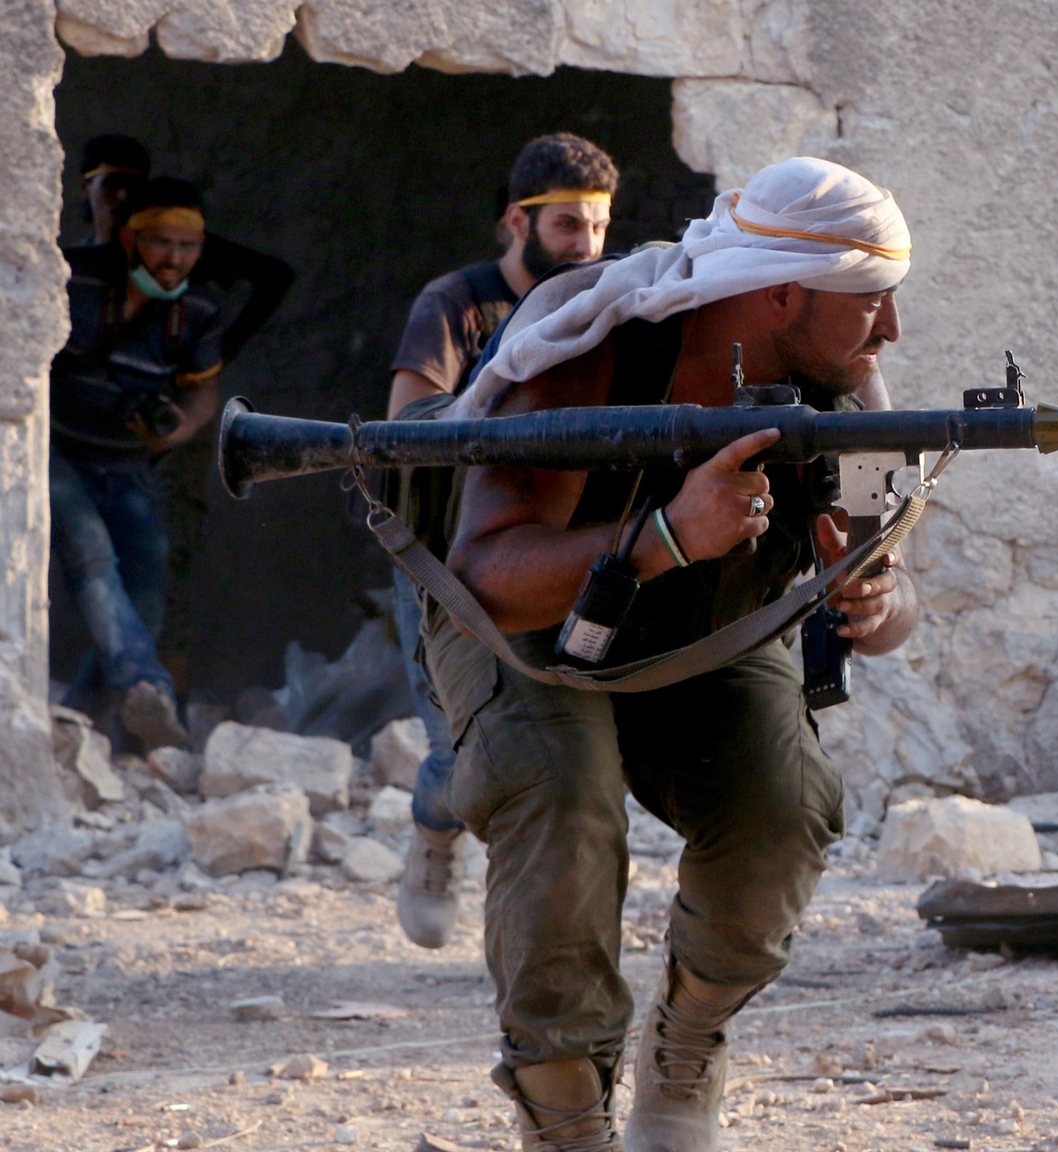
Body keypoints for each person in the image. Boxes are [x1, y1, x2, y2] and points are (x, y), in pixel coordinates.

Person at [420, 156, 917, 1150]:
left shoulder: (850, 393)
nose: (892, 328)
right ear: (781, 292)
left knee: (783, 808)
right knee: (559, 793)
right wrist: (665, 536)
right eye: (871, 300)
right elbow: (488, 572)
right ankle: (566, 1118)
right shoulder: (590, 349)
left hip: (705, 636)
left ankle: (687, 1043)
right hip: (529, 635)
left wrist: (875, 596)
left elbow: (897, 594)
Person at [387, 132, 618, 951]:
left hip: (547, 551)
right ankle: (433, 838)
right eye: (567, 225)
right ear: (518, 222)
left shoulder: (605, 304)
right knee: (458, 749)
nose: (587, 245)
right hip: (443, 556)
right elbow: (407, 429)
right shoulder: (456, 303)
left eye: (599, 226)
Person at [73, 134, 296, 702]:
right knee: (93, 560)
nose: (124, 197)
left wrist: (216, 360)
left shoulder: (177, 252)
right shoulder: (77, 268)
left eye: (135, 185)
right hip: (85, 440)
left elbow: (273, 276)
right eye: (112, 185)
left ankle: (154, 712)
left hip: (167, 433)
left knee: (159, 566)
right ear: (86, 189)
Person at [49, 176, 228, 751]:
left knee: (147, 591)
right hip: (56, 452)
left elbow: (204, 391)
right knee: (91, 553)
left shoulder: (199, 308)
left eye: (187, 247)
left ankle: (86, 725)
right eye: (161, 243)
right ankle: (145, 684)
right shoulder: (76, 281)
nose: (174, 259)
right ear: (131, 239)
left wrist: (180, 428)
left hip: (129, 465)